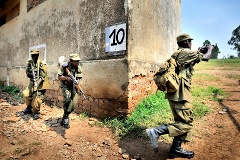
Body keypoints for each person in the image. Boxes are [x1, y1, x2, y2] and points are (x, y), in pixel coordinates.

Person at [146, 34, 214, 159]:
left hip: (176, 93)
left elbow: (194, 57)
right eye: (190, 42)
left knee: (181, 121)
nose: (191, 44)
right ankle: (156, 132)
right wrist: (210, 48)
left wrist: (200, 50)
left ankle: (175, 149)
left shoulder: (179, 54)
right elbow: (206, 57)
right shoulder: (185, 53)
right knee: (186, 123)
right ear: (187, 42)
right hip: (180, 94)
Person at [22, 49, 50, 120]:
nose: (34, 57)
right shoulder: (30, 63)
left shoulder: (42, 64)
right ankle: (29, 107)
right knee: (26, 94)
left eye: (36, 55)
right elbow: (27, 73)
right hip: (32, 82)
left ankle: (36, 112)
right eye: (33, 55)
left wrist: (37, 84)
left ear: (38, 55)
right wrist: (30, 75)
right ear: (31, 56)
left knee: (36, 100)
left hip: (41, 83)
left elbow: (43, 77)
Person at [58, 53, 82, 129]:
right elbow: (59, 77)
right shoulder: (65, 66)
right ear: (71, 61)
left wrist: (77, 82)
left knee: (74, 103)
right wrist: (67, 78)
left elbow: (79, 78)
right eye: (76, 61)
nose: (78, 62)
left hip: (74, 86)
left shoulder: (79, 67)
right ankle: (66, 118)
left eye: (78, 61)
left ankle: (65, 115)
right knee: (67, 98)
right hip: (65, 86)